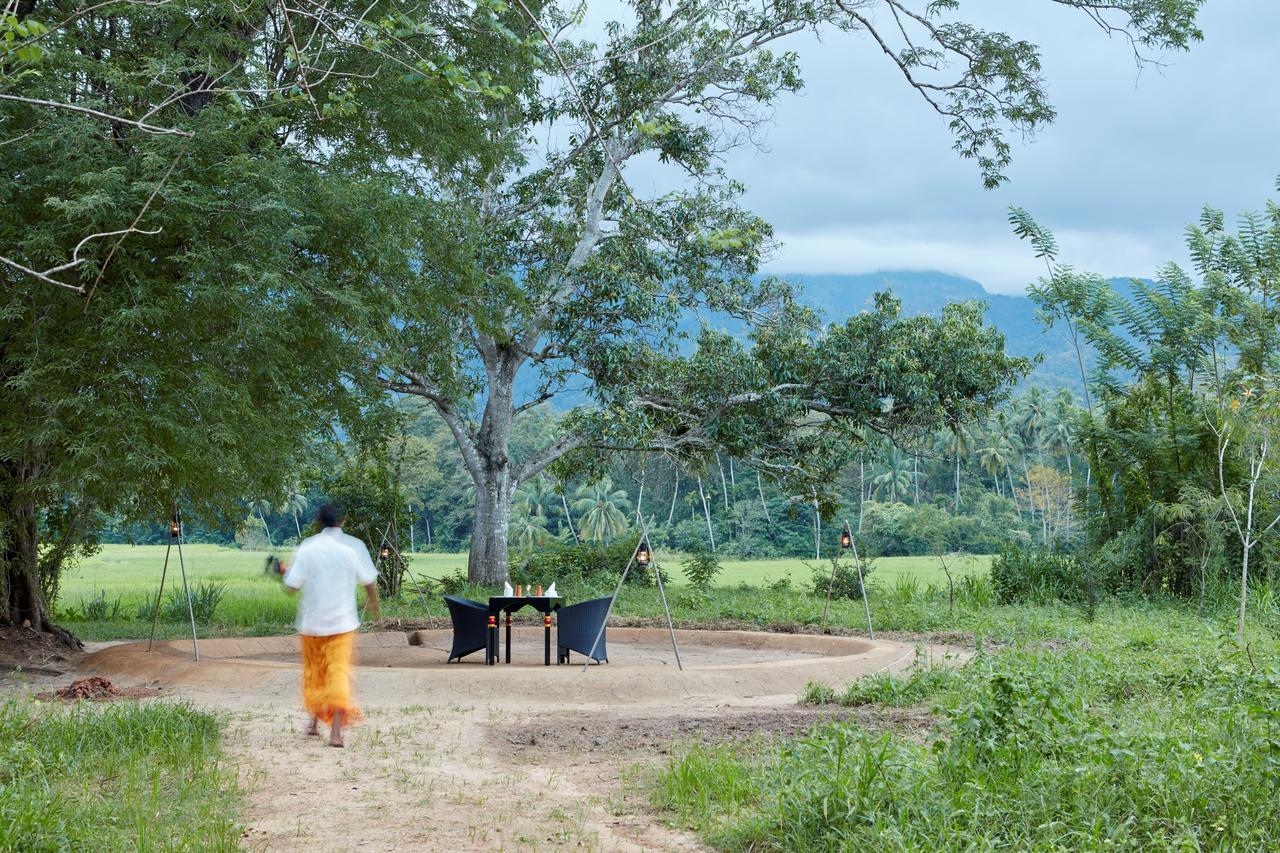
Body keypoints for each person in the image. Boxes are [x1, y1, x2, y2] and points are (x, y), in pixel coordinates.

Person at [282, 503, 381, 747]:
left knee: (314, 674)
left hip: (312, 624)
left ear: (318, 522)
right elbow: (368, 581)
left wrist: (283, 572)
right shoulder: (352, 547)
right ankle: (336, 733)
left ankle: (313, 725)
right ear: (343, 520)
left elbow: (292, 587)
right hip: (342, 624)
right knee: (338, 674)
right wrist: (373, 604)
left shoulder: (308, 548)